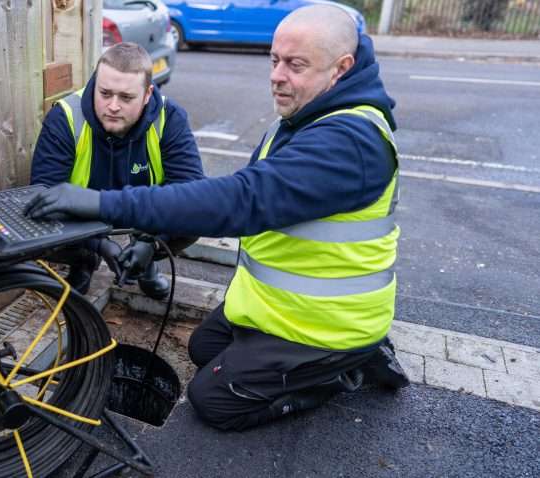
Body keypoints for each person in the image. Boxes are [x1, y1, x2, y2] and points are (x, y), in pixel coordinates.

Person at [25, 5, 409, 431]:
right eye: (275, 60)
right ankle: (290, 359)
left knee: (213, 401)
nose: (278, 75)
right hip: (278, 307)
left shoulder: (349, 141)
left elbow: (239, 200)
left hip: (327, 325)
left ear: (341, 68)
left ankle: (342, 368)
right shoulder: (308, 114)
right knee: (203, 349)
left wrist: (104, 206)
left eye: (296, 65)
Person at [30, 42, 204, 298]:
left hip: (144, 212)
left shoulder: (170, 117)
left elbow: (193, 192)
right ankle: (83, 260)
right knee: (35, 217)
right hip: (83, 214)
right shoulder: (64, 117)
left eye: (126, 97)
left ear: (147, 95)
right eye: (105, 93)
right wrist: (98, 244)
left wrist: (152, 242)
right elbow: (44, 192)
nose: (113, 106)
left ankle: (145, 261)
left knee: (196, 217)